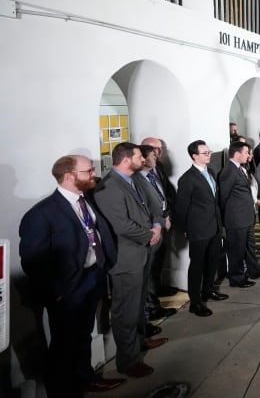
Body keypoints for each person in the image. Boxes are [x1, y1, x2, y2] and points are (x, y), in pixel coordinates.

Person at [19, 155, 125, 395]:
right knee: (63, 343)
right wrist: (56, 293)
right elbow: (33, 261)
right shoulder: (42, 214)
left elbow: (96, 232)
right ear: (69, 176)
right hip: (67, 289)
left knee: (84, 334)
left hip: (92, 277)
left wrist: (104, 264)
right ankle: (63, 390)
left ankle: (85, 379)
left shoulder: (85, 200)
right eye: (88, 171)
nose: (93, 175)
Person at [94, 142, 166, 378]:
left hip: (142, 252)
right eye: (138, 156)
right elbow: (120, 224)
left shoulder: (133, 179)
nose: (143, 159)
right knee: (125, 310)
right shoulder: (109, 187)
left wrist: (156, 225)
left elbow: (154, 205)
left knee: (137, 305)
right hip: (126, 258)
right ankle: (128, 360)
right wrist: (149, 235)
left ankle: (139, 341)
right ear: (126, 159)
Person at [175, 140, 228, 318]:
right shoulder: (187, 179)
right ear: (194, 156)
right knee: (197, 266)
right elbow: (181, 208)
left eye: (209, 151)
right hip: (198, 229)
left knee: (212, 261)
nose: (209, 155)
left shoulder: (211, 172)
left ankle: (208, 291)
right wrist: (184, 229)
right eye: (205, 153)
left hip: (214, 227)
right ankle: (195, 302)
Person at [219, 141, 260, 288]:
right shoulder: (228, 171)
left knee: (250, 246)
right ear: (237, 154)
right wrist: (229, 217)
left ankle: (254, 270)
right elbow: (223, 197)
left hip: (247, 216)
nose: (249, 155)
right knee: (237, 249)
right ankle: (236, 278)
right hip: (236, 219)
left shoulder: (241, 168)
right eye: (246, 153)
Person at [135, 145, 175, 336]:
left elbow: (162, 197)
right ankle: (149, 309)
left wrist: (166, 216)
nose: (155, 159)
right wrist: (158, 223)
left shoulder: (155, 172)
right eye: (152, 156)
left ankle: (154, 304)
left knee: (156, 268)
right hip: (150, 231)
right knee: (147, 272)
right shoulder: (137, 180)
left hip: (162, 224)